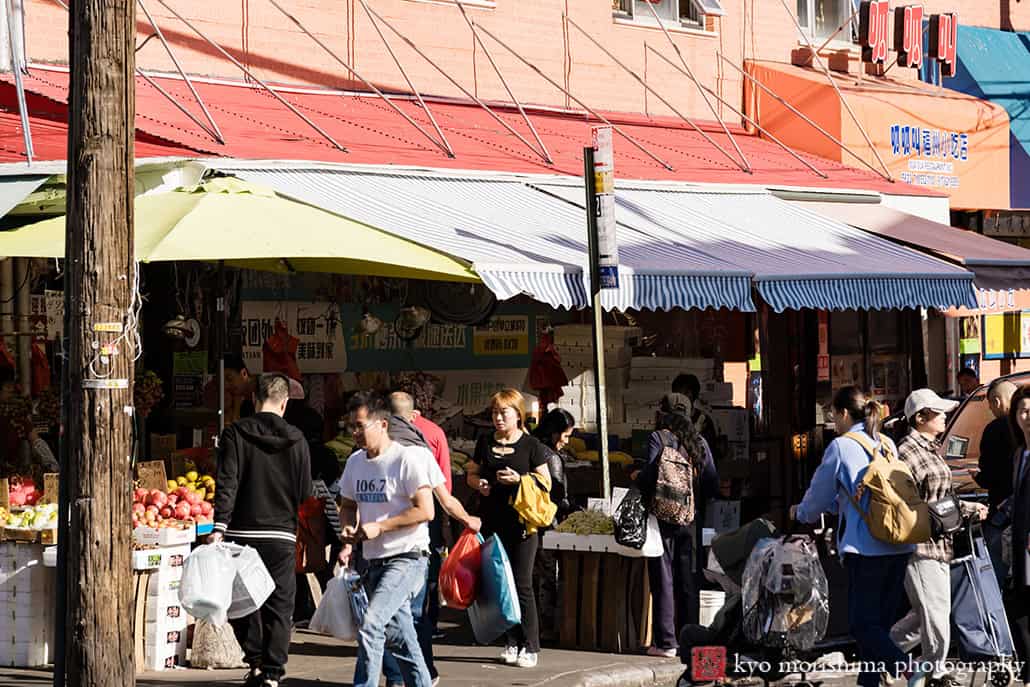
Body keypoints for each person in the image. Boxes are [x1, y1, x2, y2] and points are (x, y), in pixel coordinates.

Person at [791, 386, 924, 687]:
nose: (833, 422)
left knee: (862, 625)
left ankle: (909, 668)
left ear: (843, 413)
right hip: (900, 544)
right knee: (879, 625)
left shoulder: (841, 446)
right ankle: (869, 682)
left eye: (833, 416)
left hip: (866, 549)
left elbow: (816, 499)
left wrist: (798, 514)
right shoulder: (887, 443)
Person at [208, 373, 314, 687]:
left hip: (242, 534)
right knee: (280, 605)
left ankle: (254, 660)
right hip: (281, 534)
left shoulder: (234, 434)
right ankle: (272, 672)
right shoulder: (297, 439)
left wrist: (220, 526)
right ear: (284, 403)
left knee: (241, 601)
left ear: (255, 399)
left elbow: (227, 482)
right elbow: (305, 490)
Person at [889, 389, 987, 687]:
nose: (944, 417)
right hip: (919, 545)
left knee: (925, 617)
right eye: (939, 412)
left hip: (940, 543)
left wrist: (969, 508)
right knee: (936, 618)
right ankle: (934, 673)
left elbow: (943, 497)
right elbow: (905, 500)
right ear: (921, 418)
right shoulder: (905, 451)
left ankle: (881, 652)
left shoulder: (930, 448)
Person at [382, 391, 481, 687]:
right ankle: (420, 673)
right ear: (413, 416)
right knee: (415, 615)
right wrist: (468, 521)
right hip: (413, 548)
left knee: (384, 616)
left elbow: (349, 502)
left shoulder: (367, 451)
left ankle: (394, 678)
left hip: (377, 547)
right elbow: (446, 498)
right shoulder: (423, 449)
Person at [337, 394, 435, 687]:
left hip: (408, 557)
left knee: (371, 625)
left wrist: (381, 527)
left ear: (382, 424)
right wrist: (347, 532)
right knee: (401, 639)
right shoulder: (355, 462)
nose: (354, 433)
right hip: (372, 561)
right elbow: (348, 505)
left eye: (359, 426)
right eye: (350, 427)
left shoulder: (405, 459)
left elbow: (426, 509)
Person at [466, 388, 551, 668]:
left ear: (518, 414)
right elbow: (471, 473)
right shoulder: (485, 442)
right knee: (500, 584)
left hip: (522, 525)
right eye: (495, 412)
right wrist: (480, 484)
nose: (498, 418)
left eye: (504, 412)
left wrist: (520, 479)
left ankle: (531, 645)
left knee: (522, 583)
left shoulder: (531, 445)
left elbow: (546, 483)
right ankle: (511, 641)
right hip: (492, 522)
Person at [636, 393, 719, 658]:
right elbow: (712, 484)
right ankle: (688, 638)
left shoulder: (658, 439)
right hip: (691, 520)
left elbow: (649, 478)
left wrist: (637, 475)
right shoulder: (700, 442)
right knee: (688, 579)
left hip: (662, 518)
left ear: (662, 413)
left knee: (663, 578)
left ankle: (666, 642)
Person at [390, 391, 451, 641]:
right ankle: (429, 627)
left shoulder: (374, 441)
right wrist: (451, 520)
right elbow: (444, 485)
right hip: (425, 523)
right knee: (427, 578)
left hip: (385, 534)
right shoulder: (432, 435)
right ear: (414, 413)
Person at [531, 408, 576, 642]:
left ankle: (532, 625)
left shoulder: (530, 446)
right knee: (547, 577)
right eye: (565, 435)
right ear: (554, 432)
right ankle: (546, 628)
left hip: (527, 523)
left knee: (531, 577)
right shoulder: (550, 457)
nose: (566, 441)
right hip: (547, 523)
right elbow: (560, 494)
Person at [978, 378, 1019, 585]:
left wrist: (976, 477)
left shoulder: (995, 429)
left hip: (1001, 514)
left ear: (997, 401)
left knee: (993, 577)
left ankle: (997, 614)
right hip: (1020, 516)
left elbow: (988, 474)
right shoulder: (1021, 430)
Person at [1005, 384, 1030, 687]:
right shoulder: (1019, 454)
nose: (1026, 417)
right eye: (1022, 411)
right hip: (1021, 542)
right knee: (1021, 605)